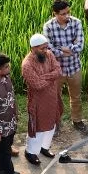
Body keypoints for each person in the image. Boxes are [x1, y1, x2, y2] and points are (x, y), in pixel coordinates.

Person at [43, 0, 88, 131]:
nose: (67, 16)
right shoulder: (48, 26)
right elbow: (48, 49)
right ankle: (56, 122)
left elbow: (79, 46)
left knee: (76, 96)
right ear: (55, 14)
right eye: (63, 14)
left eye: (68, 12)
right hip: (57, 70)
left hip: (74, 67)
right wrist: (66, 50)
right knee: (55, 98)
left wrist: (60, 48)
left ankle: (77, 120)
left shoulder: (76, 23)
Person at [21, 32, 63, 164]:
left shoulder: (49, 55)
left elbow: (58, 71)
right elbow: (37, 85)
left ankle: (44, 147)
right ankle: (31, 152)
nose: (46, 51)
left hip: (52, 98)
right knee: (38, 128)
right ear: (33, 48)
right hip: (38, 102)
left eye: (46, 47)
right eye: (42, 48)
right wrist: (51, 77)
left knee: (51, 125)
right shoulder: (27, 64)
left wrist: (45, 77)